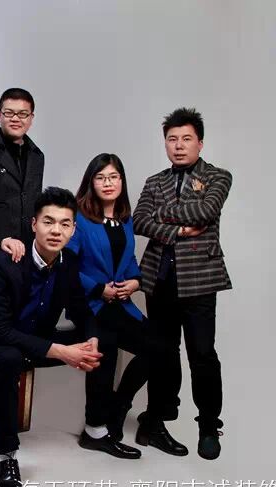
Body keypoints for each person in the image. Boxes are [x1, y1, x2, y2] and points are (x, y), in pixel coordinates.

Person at [0, 187, 101, 487]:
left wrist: (91, 339)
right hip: (0, 345)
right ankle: (7, 455)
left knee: (106, 336)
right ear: (33, 224)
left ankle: (98, 428)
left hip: (39, 340)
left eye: (64, 224)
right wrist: (61, 352)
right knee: (9, 359)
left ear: (73, 229)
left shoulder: (69, 262)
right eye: (48, 222)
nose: (56, 230)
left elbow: (82, 311)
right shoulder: (4, 262)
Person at [133, 107, 232, 460]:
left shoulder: (218, 176)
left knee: (202, 354)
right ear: (165, 143)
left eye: (186, 139)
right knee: (162, 350)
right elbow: (139, 221)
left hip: (200, 280)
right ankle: (161, 412)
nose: (178, 145)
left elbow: (206, 211)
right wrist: (176, 230)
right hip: (160, 279)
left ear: (199, 143)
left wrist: (160, 215)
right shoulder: (154, 182)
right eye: (172, 139)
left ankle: (209, 425)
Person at [68, 153, 156, 459]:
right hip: (90, 303)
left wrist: (135, 282)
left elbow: (128, 259)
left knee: (158, 348)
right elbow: (66, 264)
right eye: (101, 177)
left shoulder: (124, 217)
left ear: (122, 181)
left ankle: (118, 407)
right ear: (91, 182)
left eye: (114, 177)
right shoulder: (79, 218)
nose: (108, 183)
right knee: (104, 349)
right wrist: (98, 288)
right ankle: (94, 430)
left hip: (120, 301)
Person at [0, 88, 45, 259]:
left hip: (29, 248)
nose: (15, 119)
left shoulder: (37, 156)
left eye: (23, 114)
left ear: (31, 118)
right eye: (9, 113)